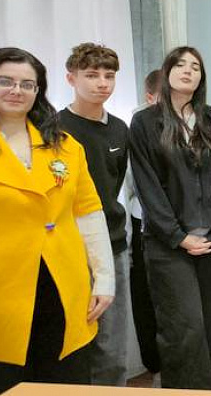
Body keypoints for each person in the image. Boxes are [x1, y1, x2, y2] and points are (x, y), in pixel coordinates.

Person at [0, 48, 114, 396]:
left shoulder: (65, 146)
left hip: (61, 283)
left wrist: (104, 278)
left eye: (27, 84)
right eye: (4, 81)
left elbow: (89, 213)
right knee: (3, 377)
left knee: (63, 378)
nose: (17, 90)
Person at [129, 46, 211, 389]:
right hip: (168, 243)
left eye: (196, 67)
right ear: (168, 71)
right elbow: (147, 185)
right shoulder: (145, 121)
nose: (188, 71)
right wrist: (178, 236)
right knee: (185, 330)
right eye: (181, 65)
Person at [57, 43, 130, 387]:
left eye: (109, 75)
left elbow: (114, 184)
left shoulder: (119, 129)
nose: (102, 83)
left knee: (112, 349)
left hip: (112, 246)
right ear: (71, 78)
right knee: (69, 343)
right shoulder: (53, 129)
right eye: (91, 75)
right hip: (64, 248)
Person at [123, 69, 164, 385]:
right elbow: (130, 187)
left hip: (191, 226)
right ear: (150, 97)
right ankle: (157, 368)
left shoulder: (200, 122)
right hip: (145, 224)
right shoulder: (134, 128)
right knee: (147, 299)